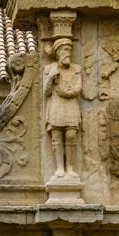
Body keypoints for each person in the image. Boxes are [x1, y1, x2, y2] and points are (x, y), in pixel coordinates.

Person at [44, 36, 82, 180]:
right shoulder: (50, 69)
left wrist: (67, 93)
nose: (69, 53)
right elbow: (46, 92)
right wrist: (50, 78)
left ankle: (70, 167)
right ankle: (60, 167)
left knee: (71, 135)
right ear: (58, 52)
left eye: (70, 50)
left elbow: (78, 88)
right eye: (66, 50)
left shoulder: (76, 69)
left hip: (71, 104)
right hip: (56, 105)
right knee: (57, 136)